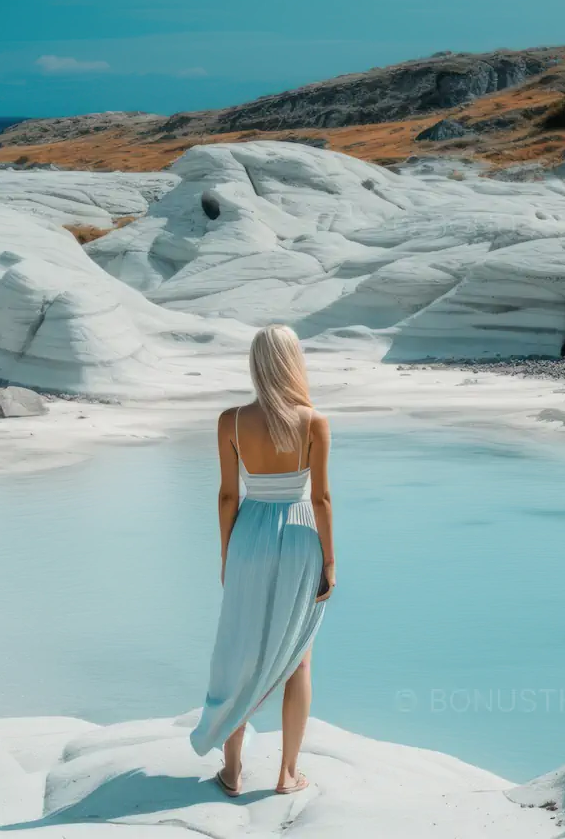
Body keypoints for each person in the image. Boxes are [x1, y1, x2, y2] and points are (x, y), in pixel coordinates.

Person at [189, 324, 335, 796]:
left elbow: (228, 495)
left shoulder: (230, 421)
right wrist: (329, 563)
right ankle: (287, 774)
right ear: (294, 363)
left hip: (249, 534)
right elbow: (322, 499)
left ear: (256, 364)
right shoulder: (313, 421)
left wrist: (227, 554)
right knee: (299, 661)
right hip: (298, 536)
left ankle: (231, 771)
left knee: (239, 652)